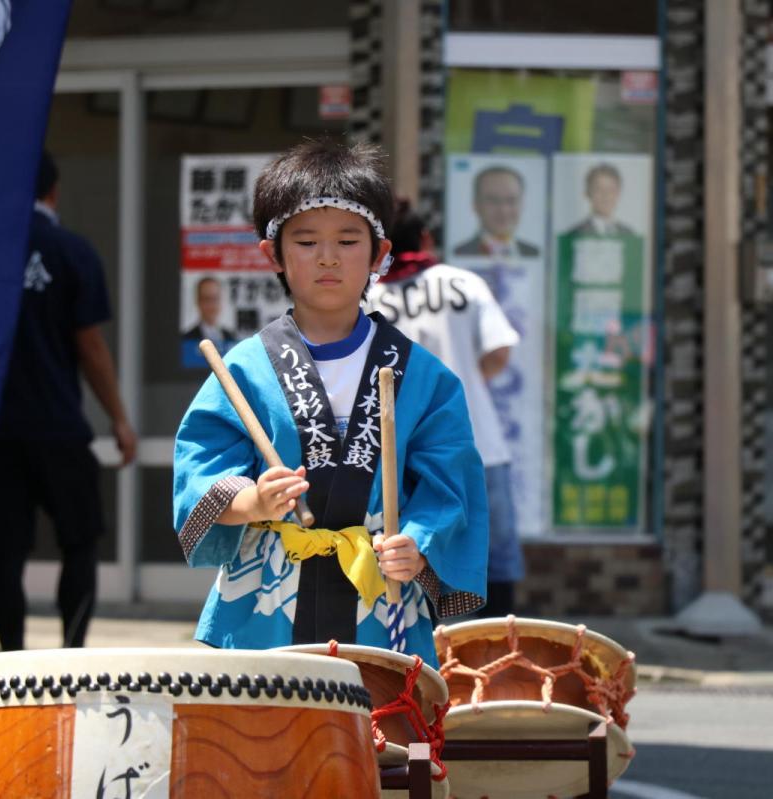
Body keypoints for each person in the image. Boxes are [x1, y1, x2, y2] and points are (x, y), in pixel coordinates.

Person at [173, 141, 488, 666]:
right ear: (272, 255)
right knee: (263, 718)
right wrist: (253, 501)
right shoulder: (245, 368)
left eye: (347, 239)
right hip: (269, 594)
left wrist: (416, 544)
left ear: (380, 254)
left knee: (379, 715)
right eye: (306, 241)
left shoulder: (423, 375)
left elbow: (448, 485)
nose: (328, 257)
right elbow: (200, 466)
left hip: (380, 593)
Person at [0, 151, 138, 652]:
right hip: (58, 425)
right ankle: (71, 653)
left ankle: (9, 661)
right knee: (80, 542)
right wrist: (119, 418)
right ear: (53, 191)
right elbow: (89, 345)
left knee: (6, 553)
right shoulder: (71, 250)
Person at [369, 200, 525, 617]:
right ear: (425, 238)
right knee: (494, 558)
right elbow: (499, 351)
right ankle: (494, 647)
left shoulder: (368, 297)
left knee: (413, 555)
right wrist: (463, 383)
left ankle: (433, 649)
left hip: (399, 451)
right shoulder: (463, 284)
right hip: (477, 440)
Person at [452, 166, 540, 258]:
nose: (503, 211)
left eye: (511, 200)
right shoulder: (458, 253)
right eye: (493, 200)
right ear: (476, 205)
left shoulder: (535, 253)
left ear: (522, 204)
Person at [567, 163, 635, 237]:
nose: (606, 196)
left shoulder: (629, 234)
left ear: (618, 193)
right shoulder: (575, 234)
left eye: (611, 190)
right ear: (587, 193)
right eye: (599, 189)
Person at [181, 276, 236, 351]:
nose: (211, 305)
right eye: (206, 299)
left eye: (215, 299)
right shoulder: (186, 339)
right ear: (198, 301)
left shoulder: (231, 337)